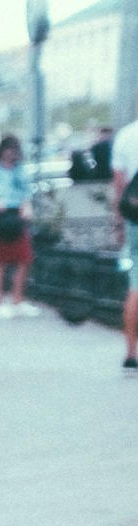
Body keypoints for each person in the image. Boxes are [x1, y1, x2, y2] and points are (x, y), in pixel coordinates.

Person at [0, 135, 37, 320]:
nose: (11, 153)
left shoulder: (20, 170)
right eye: (8, 149)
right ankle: (0, 302)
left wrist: (27, 207)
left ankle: (18, 300)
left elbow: (26, 191)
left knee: (24, 259)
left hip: (16, 215)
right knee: (0, 261)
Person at [113, 112, 138, 371]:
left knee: (135, 283)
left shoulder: (126, 136)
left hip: (135, 219)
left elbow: (119, 185)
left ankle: (131, 354)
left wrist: (118, 222)